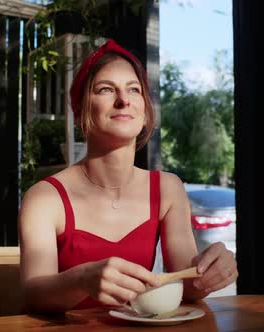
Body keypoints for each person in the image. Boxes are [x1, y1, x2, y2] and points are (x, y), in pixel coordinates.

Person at [18, 39, 237, 313]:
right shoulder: (44, 198)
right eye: (106, 89)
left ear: (145, 112)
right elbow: (33, 296)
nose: (123, 100)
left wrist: (212, 271)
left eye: (133, 90)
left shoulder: (168, 188)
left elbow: (189, 287)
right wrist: (82, 279)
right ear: (81, 111)